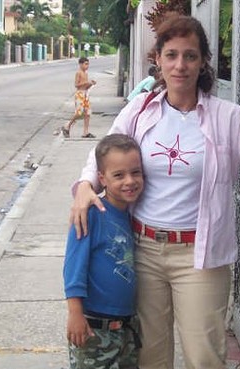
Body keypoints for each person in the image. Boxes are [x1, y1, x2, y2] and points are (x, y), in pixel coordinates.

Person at [70, 15, 240, 369]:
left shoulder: (228, 117)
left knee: (204, 356)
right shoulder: (140, 111)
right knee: (150, 355)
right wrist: (86, 185)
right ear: (157, 58)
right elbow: (105, 151)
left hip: (201, 256)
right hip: (142, 251)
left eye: (189, 56)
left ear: (203, 61)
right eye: (171, 55)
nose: (180, 65)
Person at [64, 133, 144, 369]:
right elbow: (73, 267)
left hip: (127, 327)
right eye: (118, 175)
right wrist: (75, 314)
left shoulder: (133, 215)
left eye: (135, 172)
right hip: (93, 329)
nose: (129, 181)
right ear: (102, 178)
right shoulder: (90, 214)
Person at [62, 57, 96, 139]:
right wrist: (86, 82)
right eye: (85, 64)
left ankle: (85, 132)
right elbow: (76, 85)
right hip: (80, 94)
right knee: (79, 112)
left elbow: (86, 86)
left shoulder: (86, 73)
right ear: (80, 64)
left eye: (88, 64)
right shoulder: (79, 73)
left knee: (87, 113)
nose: (87, 66)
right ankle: (67, 126)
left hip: (86, 93)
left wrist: (91, 84)